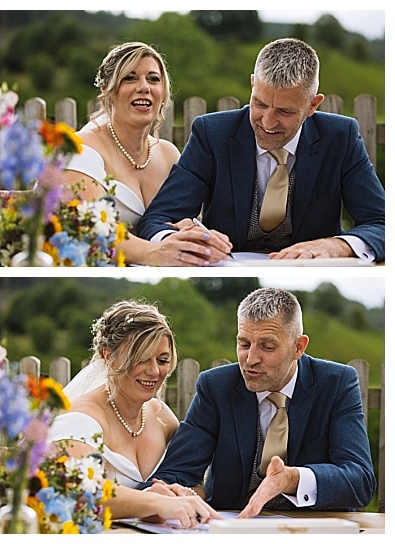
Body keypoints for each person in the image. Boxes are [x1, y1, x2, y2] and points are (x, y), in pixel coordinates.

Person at [136, 38, 384, 262]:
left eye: (284, 111)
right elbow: (157, 219)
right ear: (253, 84)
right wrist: (176, 241)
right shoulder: (212, 133)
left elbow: (382, 223)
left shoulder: (341, 137)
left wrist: (336, 246)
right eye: (260, 104)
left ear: (312, 105)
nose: (267, 122)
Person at [146, 287, 376, 516]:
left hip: (315, 530)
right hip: (232, 527)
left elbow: (360, 480)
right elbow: (176, 472)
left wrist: (292, 479)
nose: (251, 359)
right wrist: (175, 493)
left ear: (299, 347)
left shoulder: (336, 384)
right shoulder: (216, 386)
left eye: (267, 347)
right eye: (244, 344)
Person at [49, 300, 219, 528]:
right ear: (109, 356)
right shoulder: (79, 419)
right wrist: (152, 501)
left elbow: (195, 483)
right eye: (140, 359)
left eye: (163, 360)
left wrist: (180, 493)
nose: (154, 371)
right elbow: (78, 490)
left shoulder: (161, 416)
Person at [62, 42, 230, 266]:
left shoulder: (169, 154)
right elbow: (93, 230)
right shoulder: (79, 148)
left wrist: (188, 232)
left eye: (153, 79)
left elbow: (172, 219)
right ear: (107, 90)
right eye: (130, 78)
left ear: (163, 92)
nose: (144, 87)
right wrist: (154, 252)